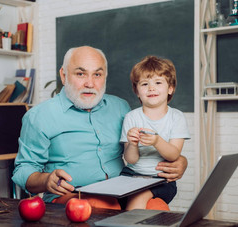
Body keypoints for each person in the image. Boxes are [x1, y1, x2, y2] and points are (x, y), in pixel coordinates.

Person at [12, 46, 188, 210]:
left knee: (158, 209)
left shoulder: (121, 108)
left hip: (123, 191)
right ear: (64, 75)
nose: (90, 83)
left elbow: (140, 151)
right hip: (74, 196)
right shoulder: (40, 116)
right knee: (101, 206)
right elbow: (23, 170)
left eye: (97, 74)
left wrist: (180, 161)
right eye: (81, 74)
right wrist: (46, 180)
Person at [120, 55, 190, 210]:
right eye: (144, 84)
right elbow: (131, 160)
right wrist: (132, 144)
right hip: (131, 175)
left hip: (162, 180)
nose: (151, 88)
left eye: (158, 82)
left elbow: (173, 155)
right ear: (137, 91)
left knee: (139, 195)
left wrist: (157, 141)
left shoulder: (176, 117)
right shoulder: (131, 117)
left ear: (170, 88)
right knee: (131, 193)